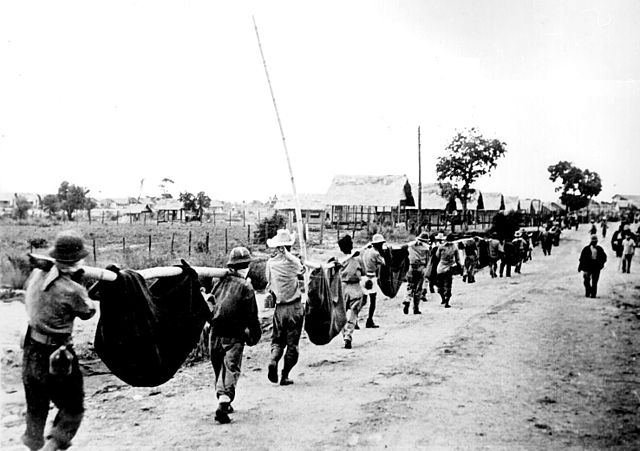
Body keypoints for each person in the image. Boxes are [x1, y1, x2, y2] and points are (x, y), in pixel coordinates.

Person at [22, 230, 97, 451]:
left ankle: (34, 446)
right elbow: (88, 311)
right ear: (76, 260)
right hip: (57, 356)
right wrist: (78, 282)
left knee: (36, 407)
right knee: (73, 409)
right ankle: (51, 447)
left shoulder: (37, 274)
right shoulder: (72, 290)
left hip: (31, 349)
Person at [209, 247, 262, 424]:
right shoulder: (246, 286)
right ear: (246, 266)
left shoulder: (218, 280)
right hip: (234, 334)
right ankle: (224, 401)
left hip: (214, 332)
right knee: (231, 367)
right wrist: (254, 334)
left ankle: (223, 399)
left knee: (219, 366)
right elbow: (252, 315)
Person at [265, 229, 305, 386]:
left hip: (279, 308)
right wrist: (290, 256)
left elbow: (269, 284)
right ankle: (285, 375)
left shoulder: (271, 263)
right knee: (292, 345)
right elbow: (302, 269)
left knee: (277, 341)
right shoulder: (292, 263)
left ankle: (273, 359)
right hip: (294, 306)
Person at [336, 235, 366, 349]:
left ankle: (345, 335)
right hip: (355, 287)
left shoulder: (338, 260)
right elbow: (364, 272)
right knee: (354, 313)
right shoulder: (357, 259)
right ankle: (348, 335)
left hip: (342, 287)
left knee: (341, 313)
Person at [361, 233, 386, 328]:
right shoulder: (376, 253)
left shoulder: (366, 251)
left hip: (363, 277)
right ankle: (369, 320)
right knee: (373, 300)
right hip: (371, 277)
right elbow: (383, 263)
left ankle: (354, 320)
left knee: (362, 300)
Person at [404, 232, 430, 315]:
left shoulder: (411, 246)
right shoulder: (426, 248)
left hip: (411, 267)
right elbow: (428, 260)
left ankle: (407, 300)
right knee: (418, 288)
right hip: (421, 267)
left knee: (410, 286)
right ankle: (416, 308)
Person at [435, 233, 461, 308]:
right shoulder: (454, 247)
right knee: (448, 285)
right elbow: (458, 259)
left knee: (440, 285)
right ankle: (447, 301)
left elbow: (437, 256)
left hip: (440, 268)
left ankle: (443, 298)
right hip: (449, 268)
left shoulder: (441, 247)